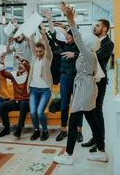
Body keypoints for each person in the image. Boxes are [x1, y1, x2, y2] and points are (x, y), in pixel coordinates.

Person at [53, 1, 102, 165]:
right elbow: (78, 41)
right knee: (92, 120)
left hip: (84, 88)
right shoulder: (89, 55)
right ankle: (102, 151)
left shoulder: (88, 54)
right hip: (86, 87)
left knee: (73, 121)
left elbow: (78, 39)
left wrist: (70, 19)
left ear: (86, 44)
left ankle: (68, 155)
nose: (78, 40)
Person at [43, 10, 83, 142]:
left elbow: (87, 56)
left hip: (76, 78)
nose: (66, 38)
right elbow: (53, 35)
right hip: (64, 78)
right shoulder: (63, 45)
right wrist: (49, 19)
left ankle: (78, 131)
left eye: (69, 36)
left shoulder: (80, 47)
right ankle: (63, 130)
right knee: (64, 105)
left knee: (77, 106)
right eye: (66, 36)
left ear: (74, 36)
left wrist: (75, 55)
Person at [81, 19, 114, 161]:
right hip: (89, 79)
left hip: (99, 81)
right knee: (90, 110)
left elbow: (97, 58)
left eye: (98, 25)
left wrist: (84, 53)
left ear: (105, 29)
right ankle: (95, 138)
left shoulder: (108, 44)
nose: (94, 27)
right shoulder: (93, 41)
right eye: (94, 25)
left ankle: (101, 142)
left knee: (97, 110)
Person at [27, 23, 53, 141]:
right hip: (33, 89)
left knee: (39, 112)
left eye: (40, 51)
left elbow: (47, 47)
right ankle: (37, 130)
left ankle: (45, 131)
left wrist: (44, 35)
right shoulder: (33, 58)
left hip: (45, 90)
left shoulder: (48, 59)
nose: (38, 53)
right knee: (32, 113)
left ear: (44, 51)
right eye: (37, 51)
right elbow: (31, 42)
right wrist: (32, 27)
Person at [0, 54, 30, 138]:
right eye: (19, 64)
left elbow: (29, 68)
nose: (20, 65)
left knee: (23, 104)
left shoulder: (29, 76)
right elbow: (3, 73)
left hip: (26, 102)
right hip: (16, 101)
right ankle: (6, 128)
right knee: (3, 106)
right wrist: (2, 62)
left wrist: (22, 59)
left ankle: (19, 129)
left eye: (22, 64)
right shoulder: (14, 75)